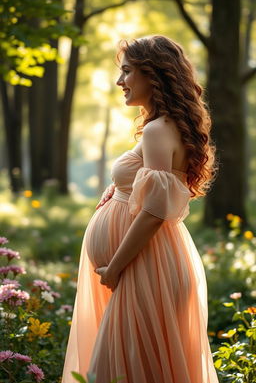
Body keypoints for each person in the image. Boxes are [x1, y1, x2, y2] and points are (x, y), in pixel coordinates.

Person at [61, 35, 219, 383]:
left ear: (154, 75)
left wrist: (115, 267)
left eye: (128, 72)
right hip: (147, 265)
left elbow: (153, 212)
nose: (120, 82)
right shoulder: (163, 128)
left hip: (143, 267)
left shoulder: (158, 131)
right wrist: (116, 191)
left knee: (121, 370)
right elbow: (154, 192)